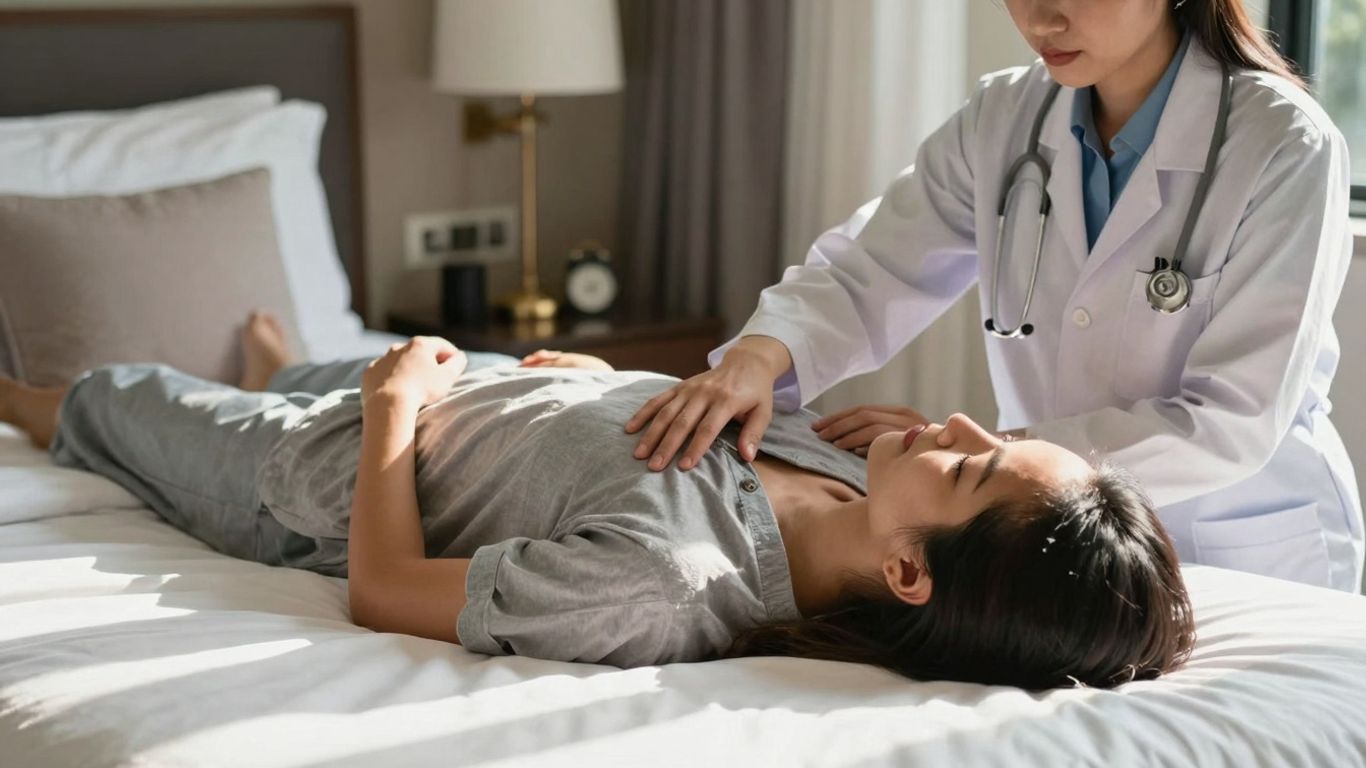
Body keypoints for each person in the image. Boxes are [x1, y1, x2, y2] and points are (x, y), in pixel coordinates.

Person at [0, 312, 1195, 689]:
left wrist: (389, 412)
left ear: (907, 577)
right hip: (462, 381)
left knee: (113, 398)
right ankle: (284, 354)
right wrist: (607, 386)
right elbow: (665, 439)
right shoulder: (848, 473)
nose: (958, 424)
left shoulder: (660, 586)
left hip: (319, 465)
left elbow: (380, 590)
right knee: (318, 355)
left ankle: (19, 394)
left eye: (973, 464)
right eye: (998, 435)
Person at [627, 0, 1362, 591]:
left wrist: (980, 455)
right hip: (1055, 546)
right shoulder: (1005, 118)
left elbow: (1228, 420)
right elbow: (871, 268)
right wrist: (760, 355)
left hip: (1238, 539)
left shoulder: (1283, 143)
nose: (1041, 19)